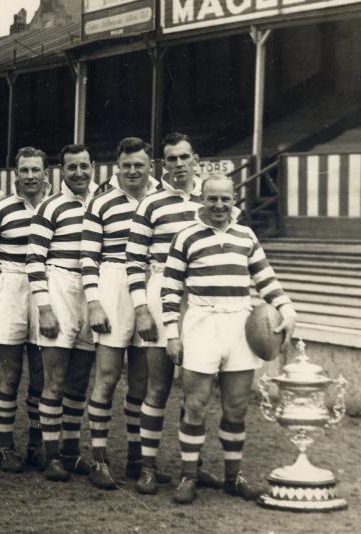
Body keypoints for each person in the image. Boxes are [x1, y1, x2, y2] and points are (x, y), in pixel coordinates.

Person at [163, 174, 296, 504]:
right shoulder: (186, 236)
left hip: (239, 324)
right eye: (212, 199)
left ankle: (232, 477)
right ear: (202, 199)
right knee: (195, 405)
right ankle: (188, 475)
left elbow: (266, 280)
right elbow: (170, 290)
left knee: (236, 407)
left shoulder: (245, 235)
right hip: (201, 323)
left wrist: (287, 310)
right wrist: (171, 335)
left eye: (225, 199)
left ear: (234, 199)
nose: (219, 205)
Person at [125, 132, 221, 494]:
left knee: (197, 392)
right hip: (161, 291)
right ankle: (147, 467)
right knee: (158, 385)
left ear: (196, 158)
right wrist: (142, 311)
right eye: (171, 159)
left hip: (204, 298)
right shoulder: (150, 202)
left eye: (184, 157)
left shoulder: (212, 198)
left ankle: (190, 469)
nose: (179, 164)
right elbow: (133, 262)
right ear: (163, 164)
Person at [80, 137, 159, 490]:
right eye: (126, 165)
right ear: (117, 168)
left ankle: (136, 458)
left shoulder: (162, 199)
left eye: (138, 165)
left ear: (150, 167)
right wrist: (94, 302)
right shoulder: (101, 202)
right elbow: (87, 257)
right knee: (108, 375)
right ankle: (98, 459)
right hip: (112, 285)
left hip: (148, 286)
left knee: (141, 380)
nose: (132, 171)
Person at [26, 143, 98, 482]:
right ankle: (52, 454)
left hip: (94, 290)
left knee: (79, 379)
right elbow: (34, 260)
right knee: (54, 379)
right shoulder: (50, 205)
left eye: (84, 166)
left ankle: (72, 451)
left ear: (92, 166)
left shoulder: (102, 203)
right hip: (60, 287)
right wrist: (45, 308)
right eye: (72, 168)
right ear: (62, 171)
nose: (79, 173)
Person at [0, 146, 48, 474]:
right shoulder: (0, 209)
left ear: (45, 173)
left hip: (46, 291)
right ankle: (5, 446)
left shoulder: (54, 207)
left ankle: (36, 444)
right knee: (9, 372)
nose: (30, 176)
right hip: (10, 288)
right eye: (24, 170)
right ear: (14, 174)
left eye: (36, 170)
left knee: (40, 373)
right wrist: (0, 290)